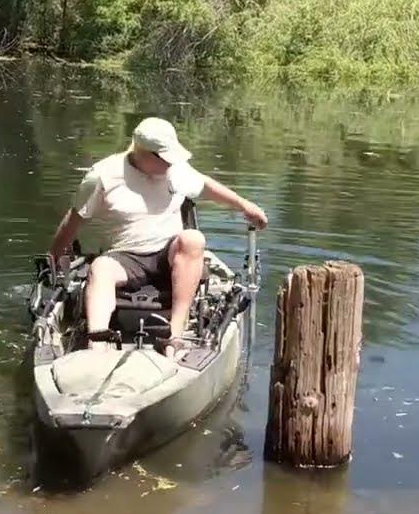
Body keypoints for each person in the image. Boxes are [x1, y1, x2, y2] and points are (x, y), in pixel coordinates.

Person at [48, 117, 267, 356]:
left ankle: (175, 335)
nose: (169, 165)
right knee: (100, 267)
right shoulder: (102, 176)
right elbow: (74, 220)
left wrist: (244, 205)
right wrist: (52, 260)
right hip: (125, 257)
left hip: (168, 253)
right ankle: (97, 343)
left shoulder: (176, 170)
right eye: (163, 159)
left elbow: (205, 186)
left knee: (193, 239)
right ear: (142, 152)